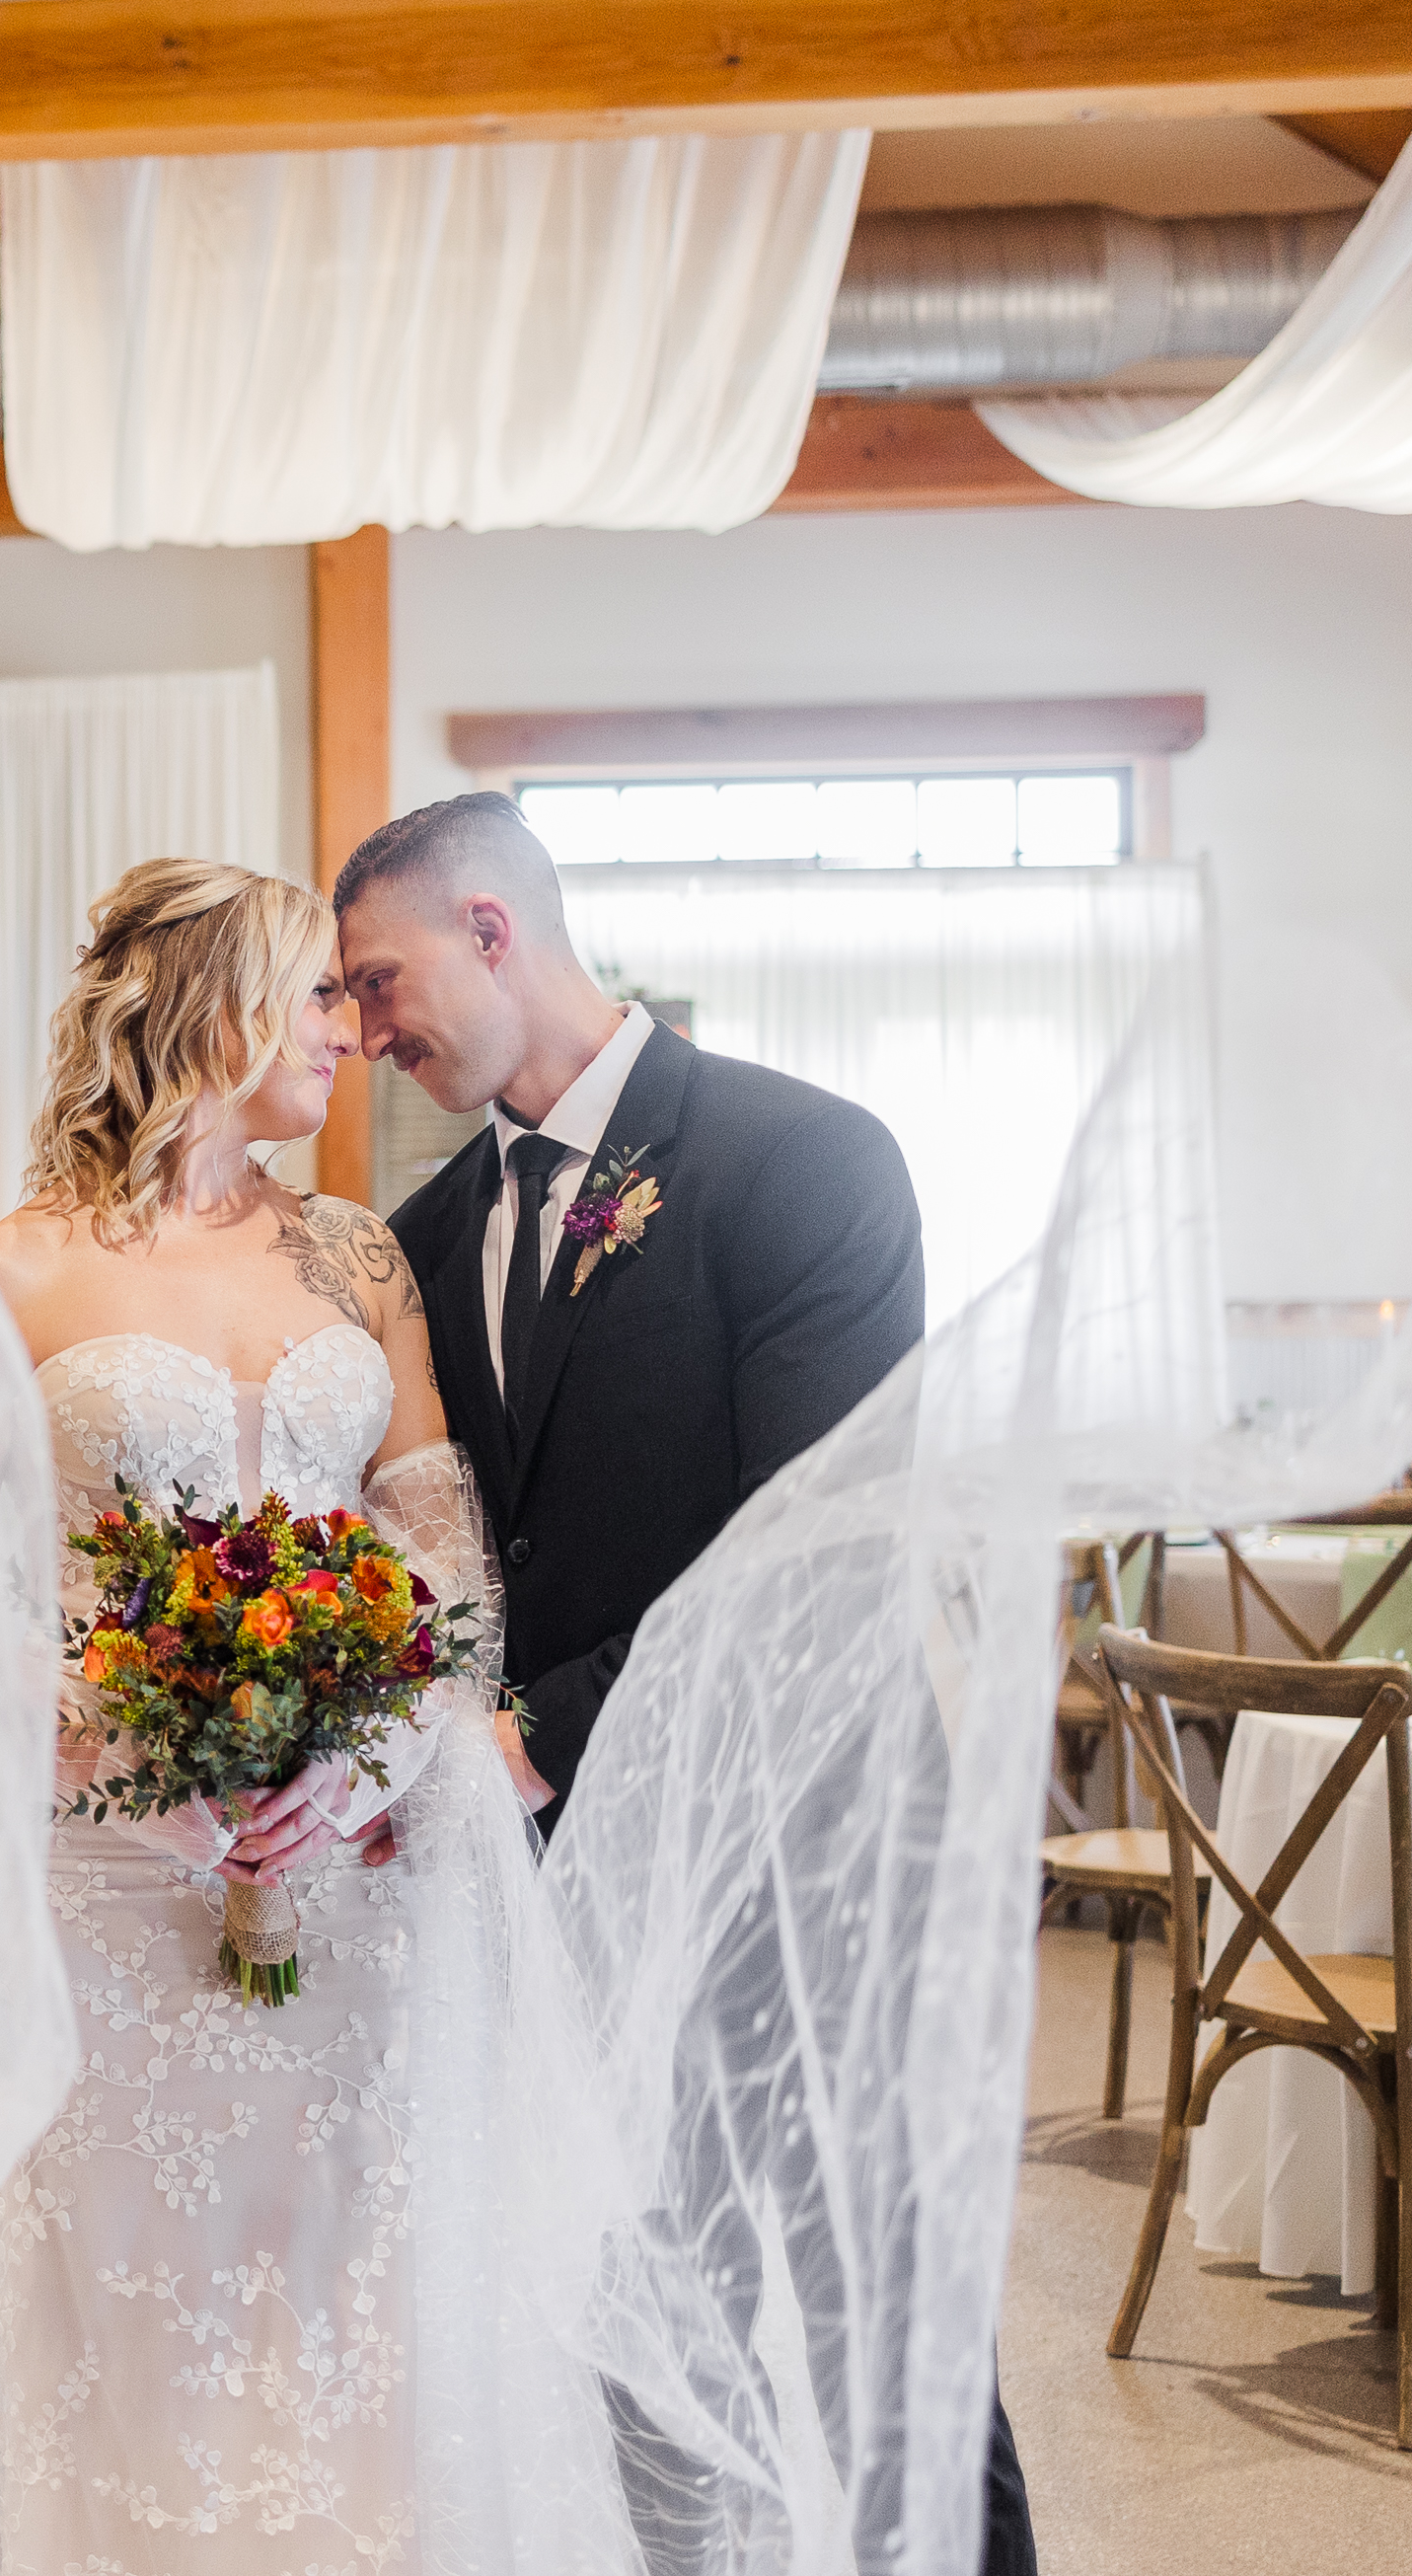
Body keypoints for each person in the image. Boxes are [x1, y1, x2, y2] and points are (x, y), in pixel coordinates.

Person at [334, 790, 1037, 2576]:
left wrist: (526, 1743)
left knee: (887, 2343)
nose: (364, 1028)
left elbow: (819, 1554)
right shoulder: (419, 1242)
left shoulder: (802, 1160)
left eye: (381, 976)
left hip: (809, 1866)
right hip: (571, 1904)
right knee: (628, 2335)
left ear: (494, 930)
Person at [0, 856, 618, 2572]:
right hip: (111, 1893)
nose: (351, 1027)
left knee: (359, 2312)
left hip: (359, 1873)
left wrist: (370, 1759)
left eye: (354, 992)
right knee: (138, 2326)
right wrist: (110, 1754)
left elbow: (439, 1547)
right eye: (316, 995)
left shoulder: (356, 1260)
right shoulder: (11, 1272)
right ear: (210, 1009)